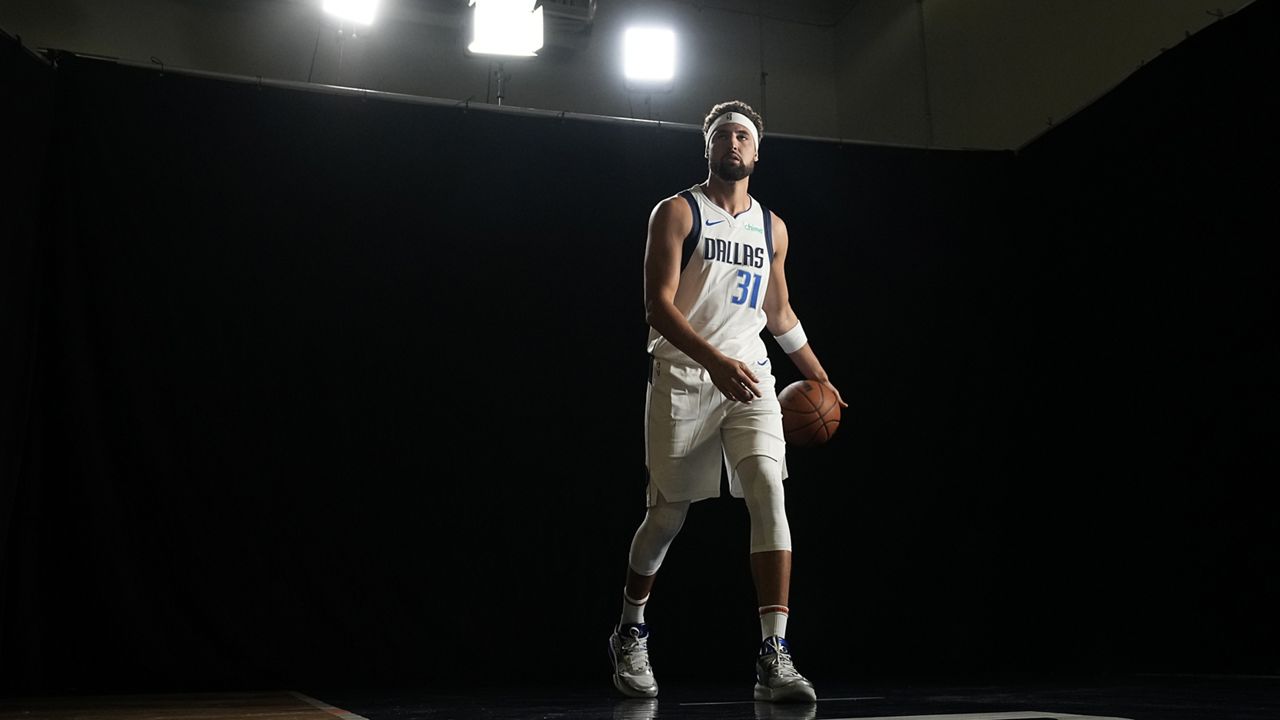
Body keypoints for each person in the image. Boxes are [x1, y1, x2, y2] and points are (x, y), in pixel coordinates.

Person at [608, 100, 846, 703]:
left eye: (743, 135)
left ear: (757, 152)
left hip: (752, 378)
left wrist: (821, 377)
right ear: (707, 147)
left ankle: (774, 654)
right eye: (722, 135)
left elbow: (779, 312)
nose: (733, 143)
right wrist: (713, 360)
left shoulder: (773, 227)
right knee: (666, 516)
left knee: (768, 488)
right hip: (687, 375)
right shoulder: (677, 212)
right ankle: (630, 629)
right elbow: (658, 306)